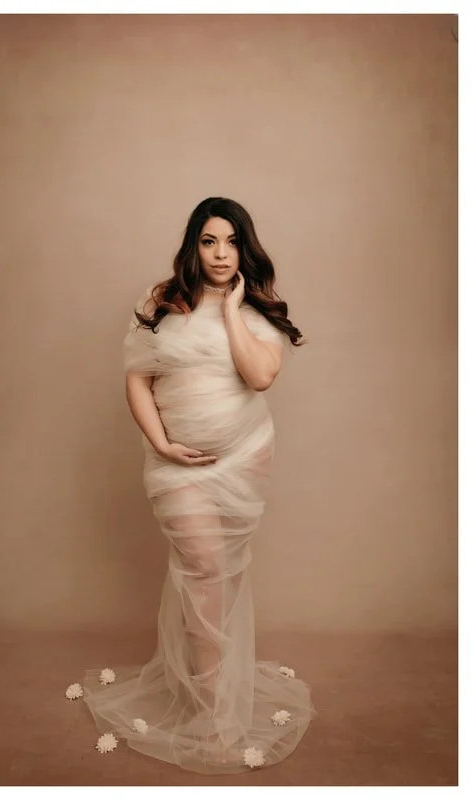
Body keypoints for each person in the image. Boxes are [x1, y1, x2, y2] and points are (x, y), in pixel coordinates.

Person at [79, 197, 314, 774]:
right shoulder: (161, 301)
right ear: (193, 244)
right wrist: (161, 444)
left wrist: (231, 310)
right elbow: (137, 380)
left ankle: (215, 688)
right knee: (206, 568)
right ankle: (213, 712)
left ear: (245, 247)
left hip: (244, 458)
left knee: (219, 574)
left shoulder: (257, 307)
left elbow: (259, 377)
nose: (220, 253)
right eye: (209, 241)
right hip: (176, 463)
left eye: (231, 242)